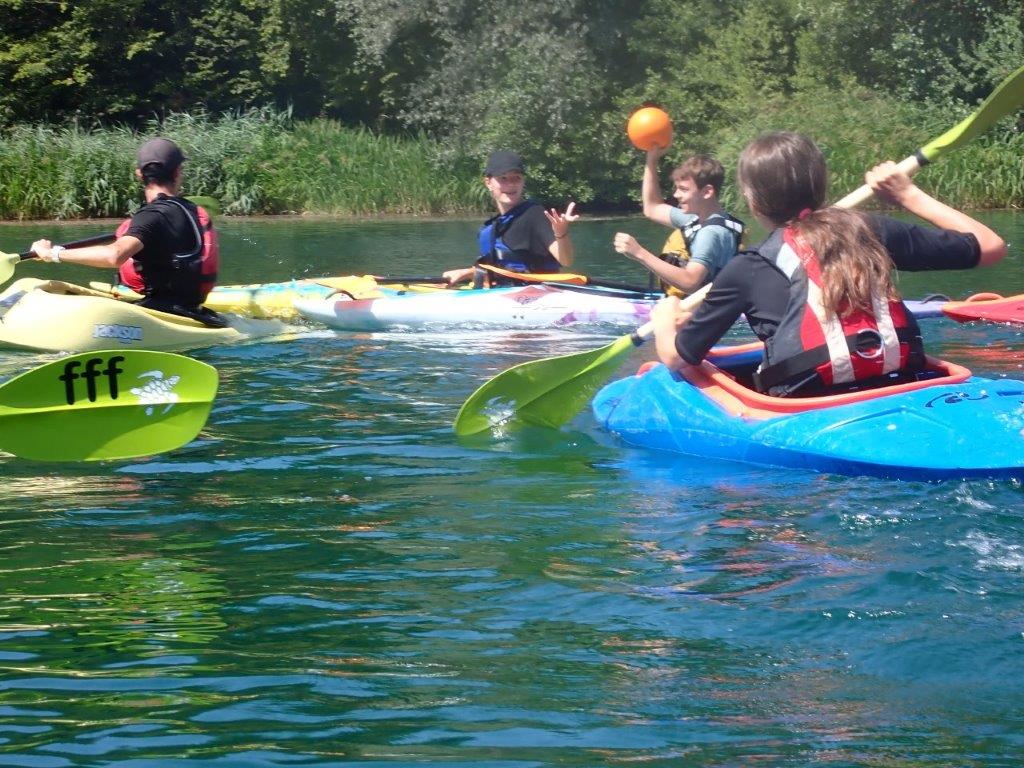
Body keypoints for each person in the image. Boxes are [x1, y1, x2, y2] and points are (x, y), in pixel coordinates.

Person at [650, 131, 1006, 397]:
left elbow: (678, 358)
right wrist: (907, 194)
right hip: (902, 384)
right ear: (821, 185)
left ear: (752, 200)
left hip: (808, 402)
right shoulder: (873, 231)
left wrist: (666, 318)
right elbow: (990, 247)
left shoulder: (747, 268)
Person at [30, 137, 222, 325]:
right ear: (178, 171)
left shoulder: (152, 215)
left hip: (161, 314)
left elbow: (114, 256)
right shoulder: (191, 210)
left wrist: (52, 253)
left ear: (139, 174)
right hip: (194, 312)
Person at [613, 143, 744, 295]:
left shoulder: (710, 233)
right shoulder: (697, 219)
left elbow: (690, 282)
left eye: (684, 189)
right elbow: (652, 208)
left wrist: (639, 253)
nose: (676, 195)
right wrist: (651, 160)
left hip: (702, 309)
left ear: (707, 192)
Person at [443, 150, 579, 287]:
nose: (511, 184)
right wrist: (466, 273)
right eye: (503, 178)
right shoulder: (492, 227)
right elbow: (494, 270)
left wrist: (561, 233)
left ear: (523, 182)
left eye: (516, 178)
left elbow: (565, 260)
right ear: (488, 183)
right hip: (502, 291)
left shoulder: (534, 214)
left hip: (536, 293)